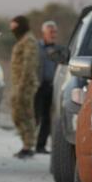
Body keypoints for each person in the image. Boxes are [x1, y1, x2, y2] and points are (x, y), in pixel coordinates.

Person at [9, 15, 39, 158]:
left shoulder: (29, 41)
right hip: (18, 84)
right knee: (17, 114)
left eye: (14, 27)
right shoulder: (23, 40)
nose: (12, 30)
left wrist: (21, 86)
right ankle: (27, 144)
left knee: (25, 114)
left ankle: (29, 146)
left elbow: (29, 66)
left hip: (25, 85)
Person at [34, 20, 59, 153]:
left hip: (51, 86)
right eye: (51, 32)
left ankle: (40, 146)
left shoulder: (57, 50)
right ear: (43, 33)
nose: (53, 35)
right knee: (34, 116)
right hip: (37, 86)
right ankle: (28, 144)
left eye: (55, 32)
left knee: (47, 117)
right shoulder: (35, 47)